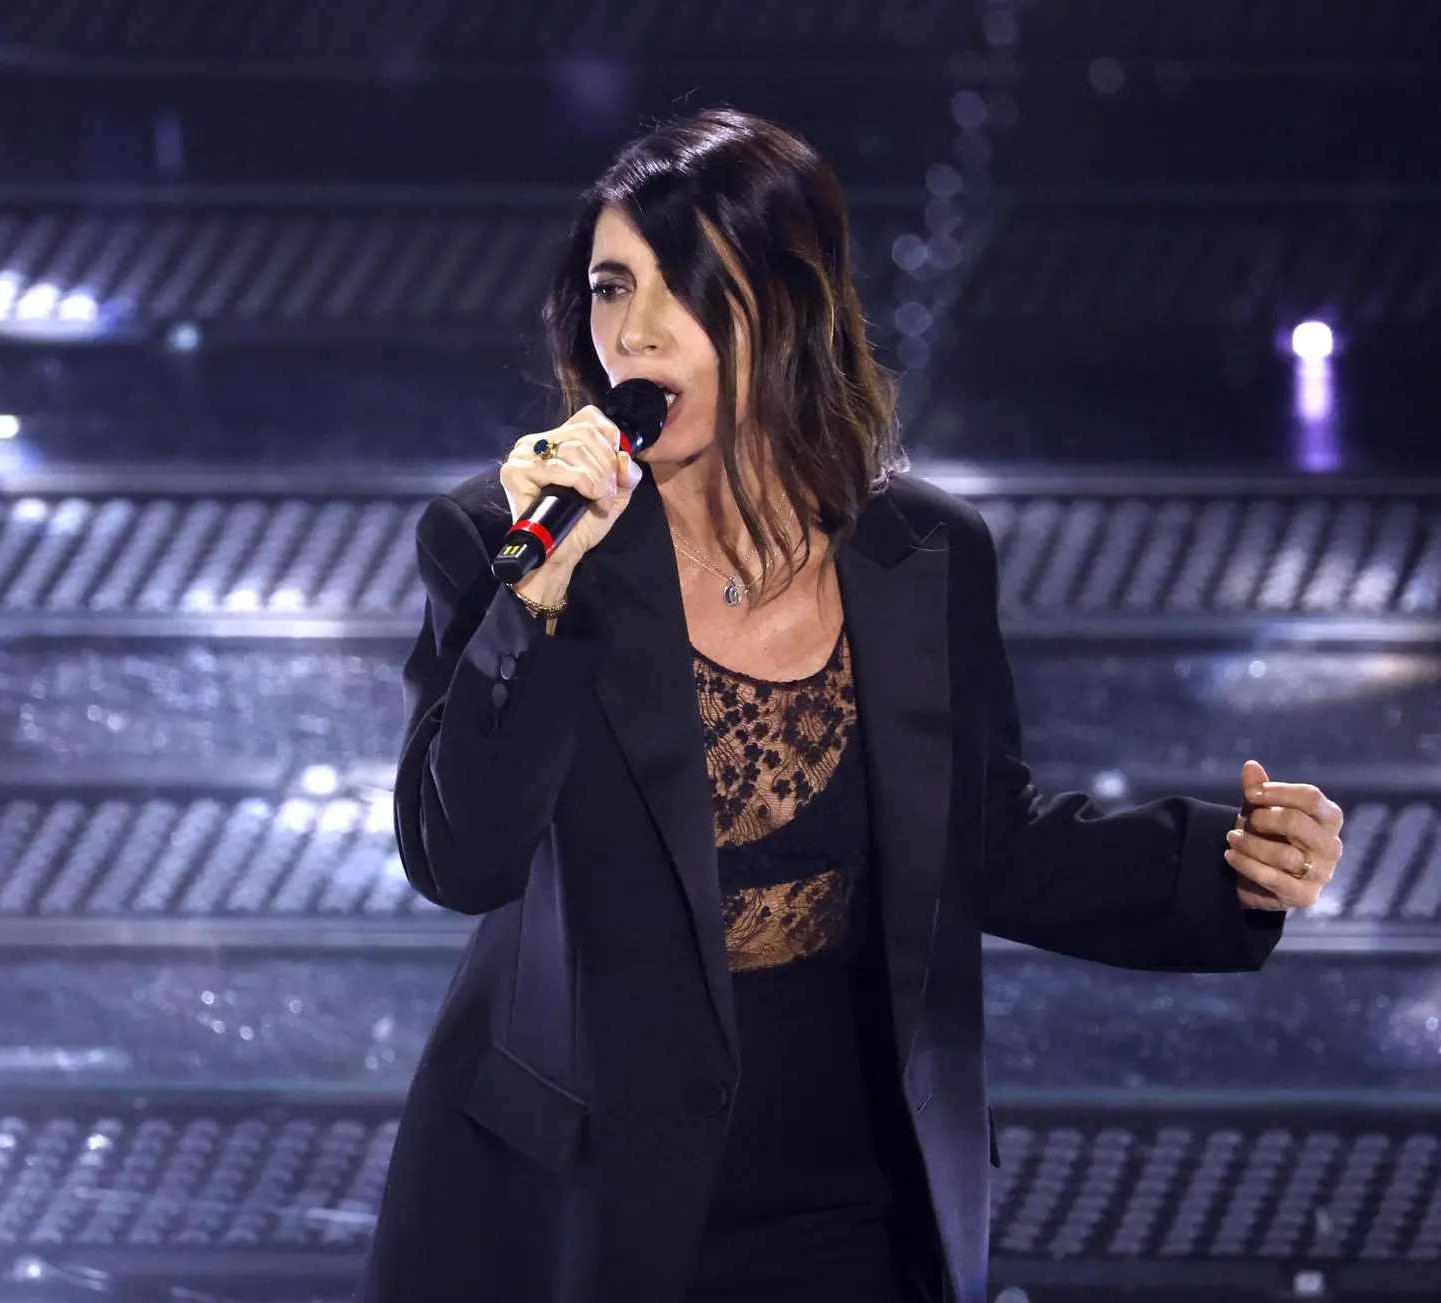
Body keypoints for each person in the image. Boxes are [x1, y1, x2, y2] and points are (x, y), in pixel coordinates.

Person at [355, 108, 1345, 1303]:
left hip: (850, 1179)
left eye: (692, 283)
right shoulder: (503, 540)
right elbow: (461, 858)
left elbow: (978, 833)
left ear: (791, 302)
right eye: (613, 286)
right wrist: (542, 601)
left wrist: (1226, 867)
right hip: (586, 1189)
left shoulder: (923, 553)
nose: (638, 331)